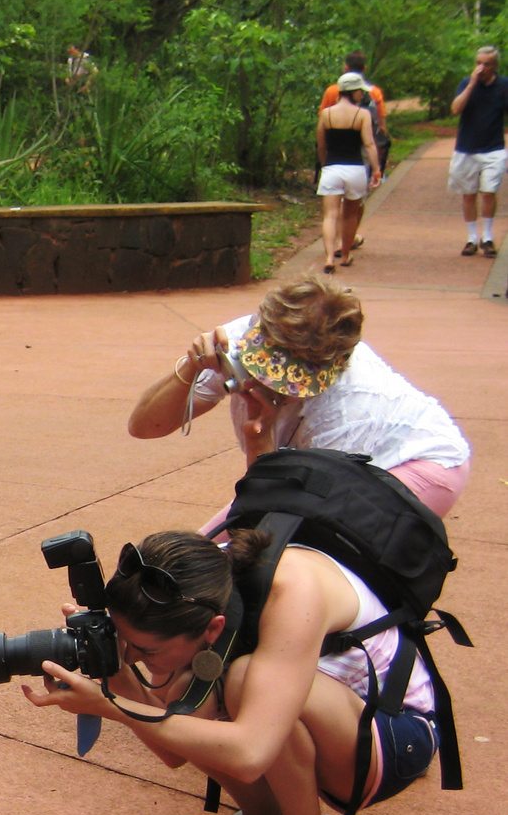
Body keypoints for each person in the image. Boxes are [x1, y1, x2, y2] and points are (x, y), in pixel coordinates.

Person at [22, 527, 441, 815]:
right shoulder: (186, 588)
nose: (133, 656)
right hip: (336, 719)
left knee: (239, 680)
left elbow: (248, 752)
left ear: (213, 628)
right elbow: (173, 746)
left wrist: (111, 708)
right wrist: (110, 665)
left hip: (392, 739)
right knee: (194, 689)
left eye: (145, 651)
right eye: (125, 640)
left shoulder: (295, 591)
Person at [127, 275, 471, 523]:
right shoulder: (239, 340)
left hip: (417, 464)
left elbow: (281, 520)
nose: (268, 384)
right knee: (194, 560)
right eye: (262, 367)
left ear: (331, 367)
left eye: (289, 381)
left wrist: (259, 439)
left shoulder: (347, 409)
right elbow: (144, 427)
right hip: (308, 473)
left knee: (302, 566)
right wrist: (190, 366)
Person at [318, 51, 389, 254]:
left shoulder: (331, 92)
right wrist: (378, 166)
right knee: (355, 202)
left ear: (345, 67)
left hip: (335, 158)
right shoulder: (374, 93)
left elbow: (322, 132)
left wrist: (324, 162)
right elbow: (379, 128)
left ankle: (332, 250)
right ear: (364, 69)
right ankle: (347, 241)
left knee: (332, 208)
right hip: (359, 158)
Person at [315, 72, 381, 273]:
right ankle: (344, 254)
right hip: (355, 168)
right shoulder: (362, 114)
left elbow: (321, 143)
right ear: (353, 92)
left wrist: (324, 163)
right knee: (351, 214)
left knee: (330, 215)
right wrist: (376, 170)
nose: (362, 95)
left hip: (332, 168)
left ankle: (328, 257)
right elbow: (369, 144)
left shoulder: (326, 114)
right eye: (360, 91)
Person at [449, 45, 508, 257]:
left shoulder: (503, 85)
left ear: (495, 66)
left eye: (486, 64)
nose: (481, 68)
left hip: (494, 148)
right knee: (468, 194)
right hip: (466, 149)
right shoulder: (467, 83)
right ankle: (471, 238)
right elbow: (455, 109)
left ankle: (488, 237)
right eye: (478, 63)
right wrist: (472, 83)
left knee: (489, 192)